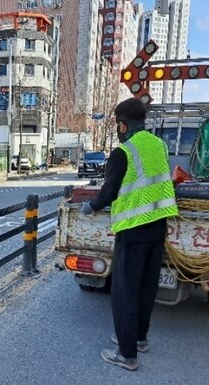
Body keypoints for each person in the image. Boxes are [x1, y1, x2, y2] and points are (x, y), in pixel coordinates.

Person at [81, 98, 179, 371]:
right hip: (157, 227)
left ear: (123, 125)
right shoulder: (159, 145)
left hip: (133, 229)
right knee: (146, 289)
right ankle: (139, 339)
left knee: (124, 293)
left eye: (118, 126)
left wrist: (90, 207)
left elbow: (108, 192)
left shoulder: (122, 152)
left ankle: (127, 355)